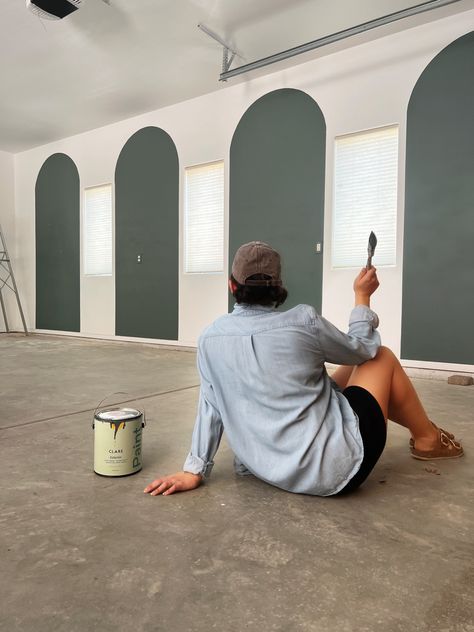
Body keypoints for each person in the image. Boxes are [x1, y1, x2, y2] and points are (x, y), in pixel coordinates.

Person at [144, 241, 463, 498]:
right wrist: (362, 296)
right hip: (336, 470)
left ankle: (428, 434)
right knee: (381, 358)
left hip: (265, 468)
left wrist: (193, 470)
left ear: (232, 286)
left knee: (350, 371)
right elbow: (363, 348)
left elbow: (210, 407)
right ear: (279, 287)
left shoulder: (210, 338)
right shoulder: (303, 322)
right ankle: (427, 439)